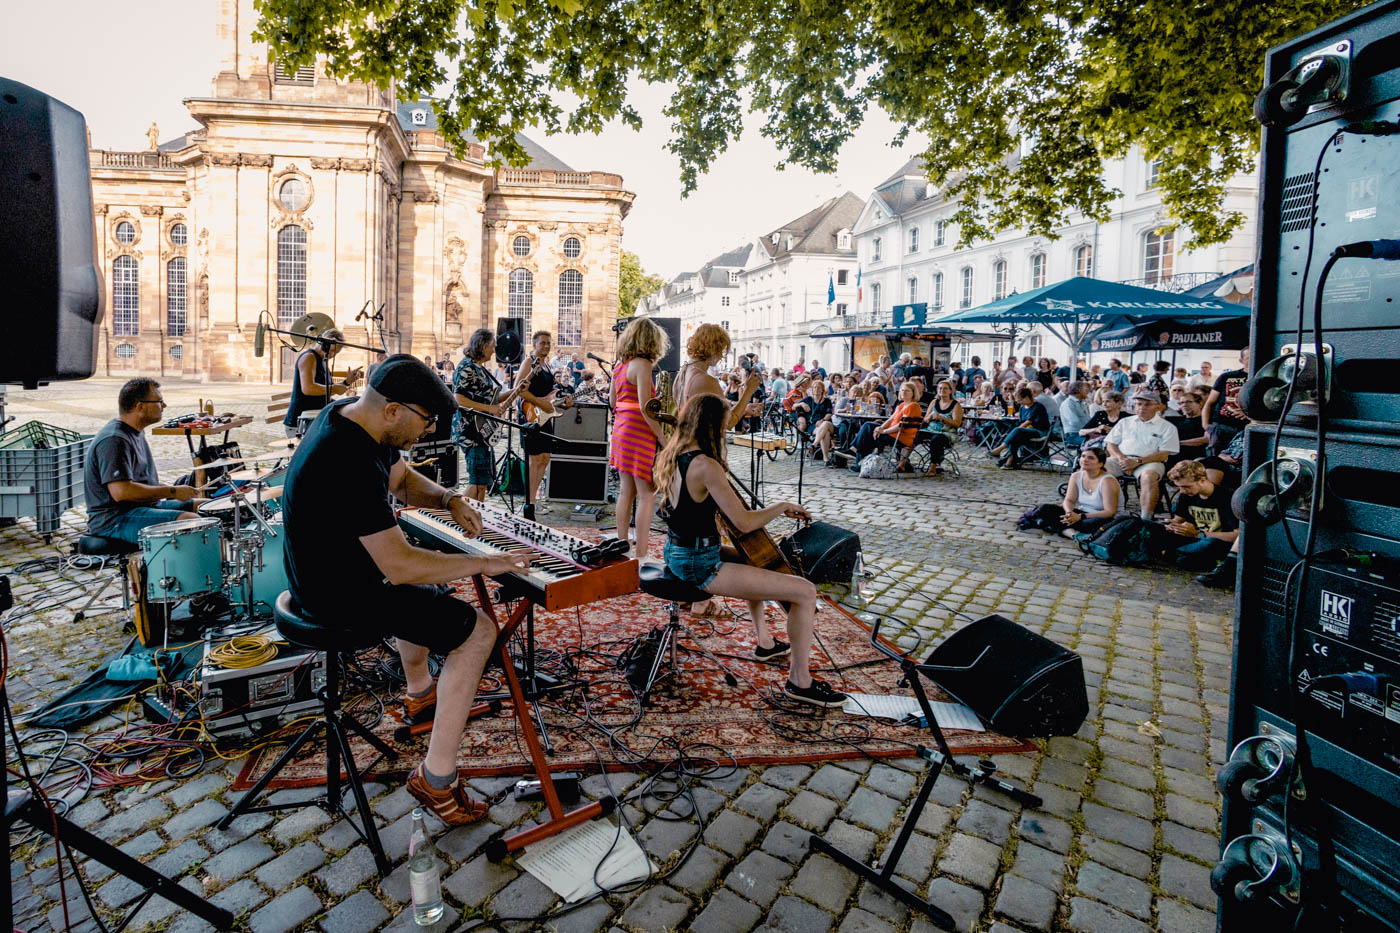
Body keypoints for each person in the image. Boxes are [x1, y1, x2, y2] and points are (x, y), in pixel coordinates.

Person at [281, 355, 529, 823]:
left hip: (328, 575)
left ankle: (420, 692)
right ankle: (437, 781)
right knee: (476, 630)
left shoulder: (351, 418)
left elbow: (399, 478)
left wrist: (448, 498)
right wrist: (488, 562)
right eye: (426, 420)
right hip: (337, 595)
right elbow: (400, 567)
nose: (427, 431)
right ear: (393, 410)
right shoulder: (345, 457)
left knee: (426, 589)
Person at [654, 394, 847, 708]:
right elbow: (743, 523)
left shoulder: (673, 452)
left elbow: (692, 511)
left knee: (753, 560)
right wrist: (781, 506)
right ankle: (800, 681)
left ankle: (766, 642)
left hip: (677, 551)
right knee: (805, 592)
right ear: (712, 425)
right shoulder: (706, 465)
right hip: (698, 563)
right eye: (726, 423)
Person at [83, 378, 206, 544]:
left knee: (206, 506)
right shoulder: (114, 439)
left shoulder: (135, 431)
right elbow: (121, 492)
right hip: (114, 519)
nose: (164, 406)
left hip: (142, 507)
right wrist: (172, 492)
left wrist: (168, 488)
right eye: (159, 401)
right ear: (140, 407)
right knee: (192, 521)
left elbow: (137, 481)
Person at [610, 318, 671, 558]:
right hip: (639, 432)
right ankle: (641, 554)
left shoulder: (620, 365)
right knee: (647, 494)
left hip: (621, 429)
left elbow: (613, 402)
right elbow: (647, 409)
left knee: (626, 492)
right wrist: (665, 441)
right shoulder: (643, 365)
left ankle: (621, 544)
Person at [451, 328, 510, 501]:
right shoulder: (467, 368)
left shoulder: (479, 368)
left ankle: (474, 517)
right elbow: (458, 399)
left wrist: (516, 391)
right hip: (471, 431)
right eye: (493, 346)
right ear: (483, 346)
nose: (494, 350)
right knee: (477, 482)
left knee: (482, 483)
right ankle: (462, 516)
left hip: (481, 432)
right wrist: (489, 409)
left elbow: (490, 399)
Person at [1105, 389, 1180, 518]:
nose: (1142, 408)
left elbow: (1163, 454)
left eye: (1147, 404)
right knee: (1094, 467)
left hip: (1149, 462)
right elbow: (1111, 444)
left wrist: (1136, 462)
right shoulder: (1125, 422)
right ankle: (1100, 511)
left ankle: (1145, 519)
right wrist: (1123, 459)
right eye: (1139, 404)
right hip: (1121, 459)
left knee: (1148, 476)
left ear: (1158, 406)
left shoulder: (1167, 427)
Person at [1159, 460, 1239, 571]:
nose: (1182, 491)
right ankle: (1175, 554)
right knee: (1151, 527)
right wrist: (1170, 525)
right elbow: (1178, 520)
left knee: (1210, 544)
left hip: (1214, 541)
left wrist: (1199, 534)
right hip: (1192, 540)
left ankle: (1169, 554)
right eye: (1179, 487)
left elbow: (1237, 535)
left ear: (1202, 480)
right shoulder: (1186, 494)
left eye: (1186, 487)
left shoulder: (1227, 498)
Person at [284, 329, 362, 437]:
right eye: (332, 350)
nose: (332, 355)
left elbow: (324, 390)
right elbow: (308, 388)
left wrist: (347, 382)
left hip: (314, 419)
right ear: (323, 343)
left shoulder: (322, 360)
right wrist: (334, 388)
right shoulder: (309, 357)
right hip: (300, 422)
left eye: (336, 353)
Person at [516, 331, 562, 507]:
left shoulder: (547, 365)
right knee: (534, 459)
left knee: (544, 457)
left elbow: (549, 394)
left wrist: (561, 403)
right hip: (530, 415)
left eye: (548, 343)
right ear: (534, 344)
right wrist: (540, 403)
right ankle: (529, 502)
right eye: (542, 343)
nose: (546, 346)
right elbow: (518, 389)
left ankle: (533, 498)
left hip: (545, 417)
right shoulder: (529, 362)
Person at [849, 382, 923, 472]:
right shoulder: (902, 405)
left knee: (868, 434)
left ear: (913, 393)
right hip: (892, 433)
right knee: (868, 426)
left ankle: (857, 456)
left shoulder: (913, 406)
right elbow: (891, 419)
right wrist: (880, 428)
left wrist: (884, 431)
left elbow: (901, 427)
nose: (904, 392)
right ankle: (859, 458)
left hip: (899, 437)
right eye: (902, 390)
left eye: (907, 391)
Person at [1058, 447, 1121, 536]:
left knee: (1087, 524)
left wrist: (1080, 517)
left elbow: (1110, 512)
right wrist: (1069, 513)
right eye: (1083, 456)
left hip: (1102, 518)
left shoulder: (1107, 481)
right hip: (1081, 514)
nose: (1085, 460)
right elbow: (1069, 500)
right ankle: (1074, 534)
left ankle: (1072, 533)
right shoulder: (1076, 476)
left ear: (1100, 464)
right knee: (1046, 509)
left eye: (1091, 458)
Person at [1203, 348, 1250, 455]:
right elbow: (1209, 402)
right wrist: (1206, 425)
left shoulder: (1263, 378)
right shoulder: (1226, 376)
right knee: (1214, 459)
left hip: (1246, 428)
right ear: (1241, 360)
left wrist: (1249, 415)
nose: (1252, 359)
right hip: (1221, 426)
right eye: (1248, 357)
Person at [992, 387, 1051, 469]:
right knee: (1015, 437)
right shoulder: (1022, 408)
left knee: (1017, 432)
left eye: (1020, 400)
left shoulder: (1038, 406)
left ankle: (1000, 449)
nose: (1020, 403)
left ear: (1027, 397)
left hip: (1040, 431)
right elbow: (1020, 423)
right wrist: (1011, 433)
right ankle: (1010, 461)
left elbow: (1028, 421)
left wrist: (1015, 431)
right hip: (1027, 431)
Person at [922, 379, 963, 475]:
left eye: (945, 388)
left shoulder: (955, 405)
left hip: (947, 433)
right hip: (930, 430)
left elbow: (957, 423)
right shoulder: (934, 402)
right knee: (913, 434)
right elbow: (925, 420)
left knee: (936, 439)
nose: (942, 390)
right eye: (940, 388)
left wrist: (942, 418)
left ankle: (933, 466)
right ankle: (903, 461)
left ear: (950, 391)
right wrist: (930, 417)